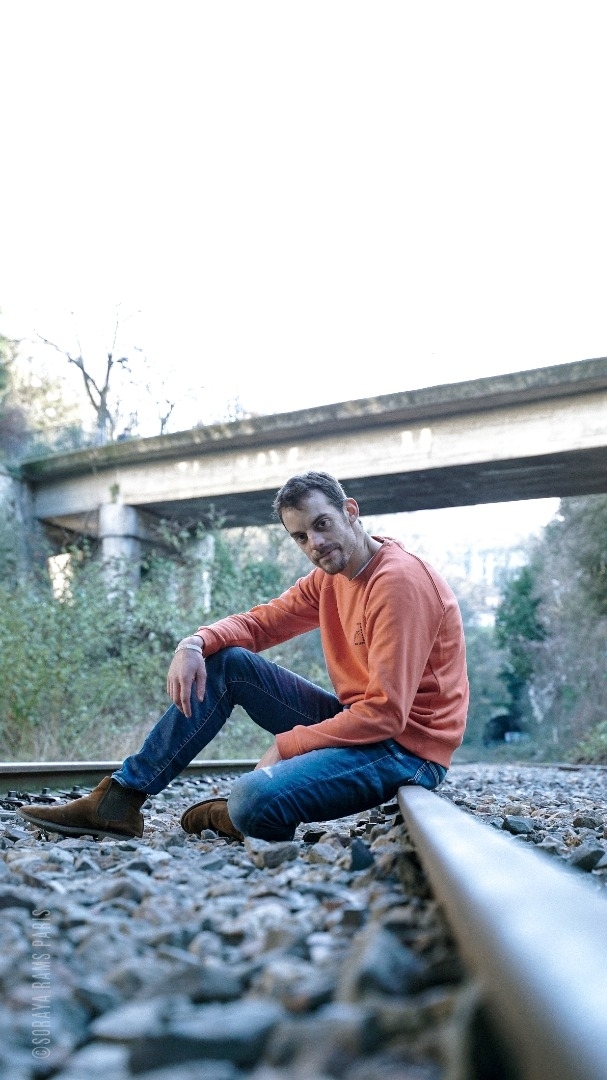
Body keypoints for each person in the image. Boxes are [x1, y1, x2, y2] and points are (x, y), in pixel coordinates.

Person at [19, 471, 469, 843]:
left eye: (322, 524)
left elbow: (386, 715)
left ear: (350, 511)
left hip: (407, 749)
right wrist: (194, 643)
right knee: (228, 662)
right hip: (363, 723)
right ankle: (118, 801)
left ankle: (239, 812)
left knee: (254, 801)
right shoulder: (330, 578)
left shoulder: (397, 584)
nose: (314, 543)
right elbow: (260, 624)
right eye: (300, 536)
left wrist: (288, 745)